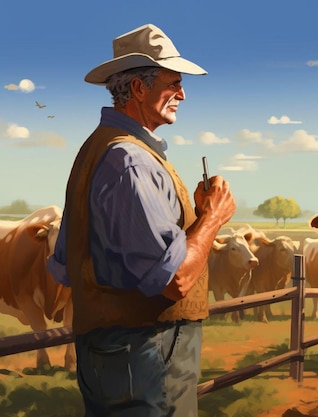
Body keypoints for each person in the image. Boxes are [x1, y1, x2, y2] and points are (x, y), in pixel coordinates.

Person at [47, 23, 236, 417]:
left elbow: (65, 267)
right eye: (173, 84)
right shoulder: (130, 161)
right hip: (147, 354)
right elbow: (174, 280)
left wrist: (194, 220)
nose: (182, 95)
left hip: (112, 355)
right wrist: (213, 218)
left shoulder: (98, 150)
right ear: (138, 88)